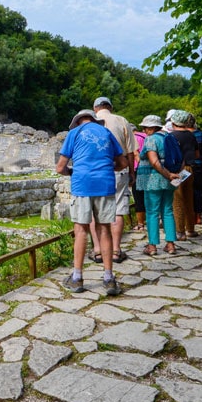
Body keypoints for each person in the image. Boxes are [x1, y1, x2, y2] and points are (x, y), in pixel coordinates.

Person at [56, 110, 128, 295]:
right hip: (105, 184)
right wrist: (106, 168)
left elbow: (60, 167)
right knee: (104, 230)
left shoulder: (74, 133)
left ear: (78, 122)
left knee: (81, 230)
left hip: (82, 185)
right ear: (94, 121)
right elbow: (122, 163)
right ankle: (108, 278)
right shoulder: (106, 133)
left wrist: (73, 172)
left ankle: (77, 277)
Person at [88, 96, 137, 264]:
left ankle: (97, 250)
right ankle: (115, 250)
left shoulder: (91, 122)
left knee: (95, 211)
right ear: (111, 107)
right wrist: (132, 172)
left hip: (96, 170)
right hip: (118, 168)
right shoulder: (122, 120)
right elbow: (130, 151)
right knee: (118, 209)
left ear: (95, 108)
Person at [136, 115, 181, 255]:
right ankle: (170, 244)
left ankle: (152, 245)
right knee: (167, 211)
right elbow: (181, 157)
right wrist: (173, 175)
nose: (144, 130)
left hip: (152, 180)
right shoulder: (170, 137)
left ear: (150, 128)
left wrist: (166, 174)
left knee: (152, 212)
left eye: (145, 127)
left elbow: (154, 162)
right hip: (170, 180)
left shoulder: (151, 139)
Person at [170, 110, 198, 240]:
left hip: (177, 171)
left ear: (173, 122)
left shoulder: (171, 136)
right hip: (189, 169)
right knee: (188, 199)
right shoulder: (191, 135)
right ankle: (190, 229)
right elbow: (197, 154)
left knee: (177, 200)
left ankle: (180, 231)